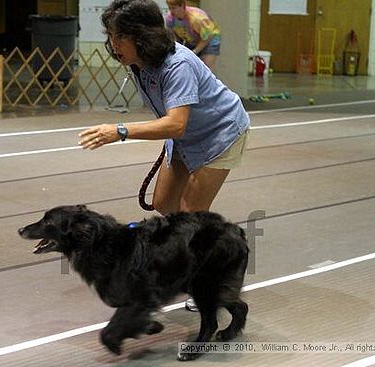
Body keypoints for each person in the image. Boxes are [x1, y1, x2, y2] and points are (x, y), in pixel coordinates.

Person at [78, 0, 250, 310]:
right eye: (111, 36)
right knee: (163, 205)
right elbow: (174, 124)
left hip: (220, 132)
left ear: (141, 36)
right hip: (184, 136)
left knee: (190, 216)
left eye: (120, 37)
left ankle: (208, 281)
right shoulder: (138, 62)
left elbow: (176, 123)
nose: (113, 45)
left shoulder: (177, 64)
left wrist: (119, 131)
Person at [165, 0, 221, 69]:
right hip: (191, 39)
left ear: (182, 6)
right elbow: (174, 37)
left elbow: (207, 37)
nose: (171, 11)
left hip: (209, 39)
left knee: (204, 68)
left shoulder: (197, 18)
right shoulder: (170, 19)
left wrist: (195, 51)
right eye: (169, 8)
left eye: (173, 8)